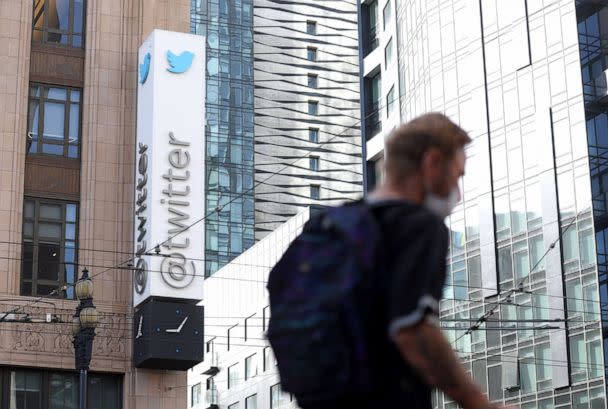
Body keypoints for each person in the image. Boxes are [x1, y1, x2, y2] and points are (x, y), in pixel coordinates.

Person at [360, 113, 506, 409]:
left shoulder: (331, 224)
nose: (459, 193)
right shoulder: (419, 225)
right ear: (433, 163)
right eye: (457, 174)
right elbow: (413, 331)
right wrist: (480, 404)